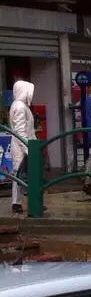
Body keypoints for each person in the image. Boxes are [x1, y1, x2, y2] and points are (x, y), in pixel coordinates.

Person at [5, 80, 33, 214]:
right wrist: (28, 148)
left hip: (21, 145)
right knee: (24, 174)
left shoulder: (16, 105)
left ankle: (17, 203)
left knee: (19, 174)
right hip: (23, 146)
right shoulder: (21, 107)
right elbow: (20, 131)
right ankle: (31, 203)